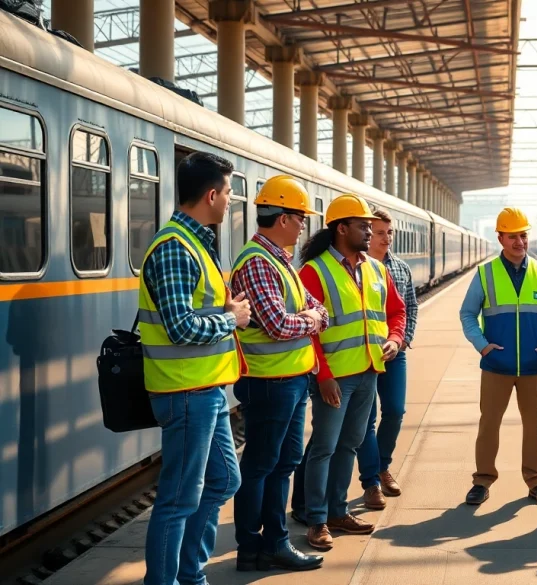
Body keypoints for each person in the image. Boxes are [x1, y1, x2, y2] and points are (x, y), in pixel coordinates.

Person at [138, 151, 246, 585]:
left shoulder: (197, 244)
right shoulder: (174, 249)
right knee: (178, 500)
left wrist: (224, 309)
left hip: (207, 390)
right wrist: (232, 318)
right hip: (184, 392)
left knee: (222, 481)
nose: (231, 199)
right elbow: (180, 327)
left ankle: (190, 573)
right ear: (211, 194)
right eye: (229, 191)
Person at [290, 194, 406, 550]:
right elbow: (308, 330)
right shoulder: (314, 271)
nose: (370, 232)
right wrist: (322, 375)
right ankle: (317, 521)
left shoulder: (376, 269)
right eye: (363, 226)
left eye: (371, 226)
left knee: (350, 444)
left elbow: (396, 312)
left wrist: (396, 340)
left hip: (369, 371)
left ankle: (338, 511)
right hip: (335, 378)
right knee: (324, 447)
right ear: (342, 229)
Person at [228, 176, 326, 572]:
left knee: (282, 464)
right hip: (270, 384)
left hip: (289, 381)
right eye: (301, 217)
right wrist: (311, 319)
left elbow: (314, 306)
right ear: (283, 218)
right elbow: (277, 324)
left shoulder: (279, 261)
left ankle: (273, 543)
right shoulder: (257, 262)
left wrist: (308, 315)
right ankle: (253, 548)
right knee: (260, 466)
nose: (304, 225)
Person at [459, 207, 537, 506]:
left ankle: (535, 480)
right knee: (489, 423)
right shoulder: (485, 273)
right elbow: (467, 313)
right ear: (500, 238)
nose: (520, 242)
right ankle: (482, 480)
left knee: (534, 426)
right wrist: (482, 344)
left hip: (533, 365)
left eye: (524, 235)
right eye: (513, 236)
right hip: (495, 365)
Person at [357, 209, 419, 510]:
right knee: (366, 420)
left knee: (394, 411)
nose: (386, 238)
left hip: (395, 354)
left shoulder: (401, 269)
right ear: (367, 234)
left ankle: (383, 465)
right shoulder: (357, 268)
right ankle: (371, 482)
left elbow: (410, 307)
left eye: (389, 233)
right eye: (380, 233)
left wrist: (403, 339)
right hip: (363, 356)